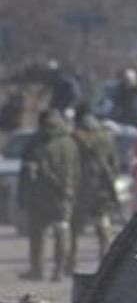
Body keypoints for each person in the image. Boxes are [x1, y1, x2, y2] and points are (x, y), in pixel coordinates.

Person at [22, 109, 79, 282]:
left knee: (38, 233)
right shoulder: (69, 142)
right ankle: (59, 271)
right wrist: (73, 192)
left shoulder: (36, 142)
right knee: (62, 230)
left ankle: (37, 270)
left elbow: (26, 172)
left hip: (39, 196)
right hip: (64, 195)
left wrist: (22, 196)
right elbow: (77, 171)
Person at [69, 106, 123, 273]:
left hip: (82, 191)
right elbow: (115, 165)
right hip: (102, 190)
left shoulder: (76, 138)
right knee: (103, 227)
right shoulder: (106, 137)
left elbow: (72, 165)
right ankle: (105, 263)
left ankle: (70, 263)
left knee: (75, 229)